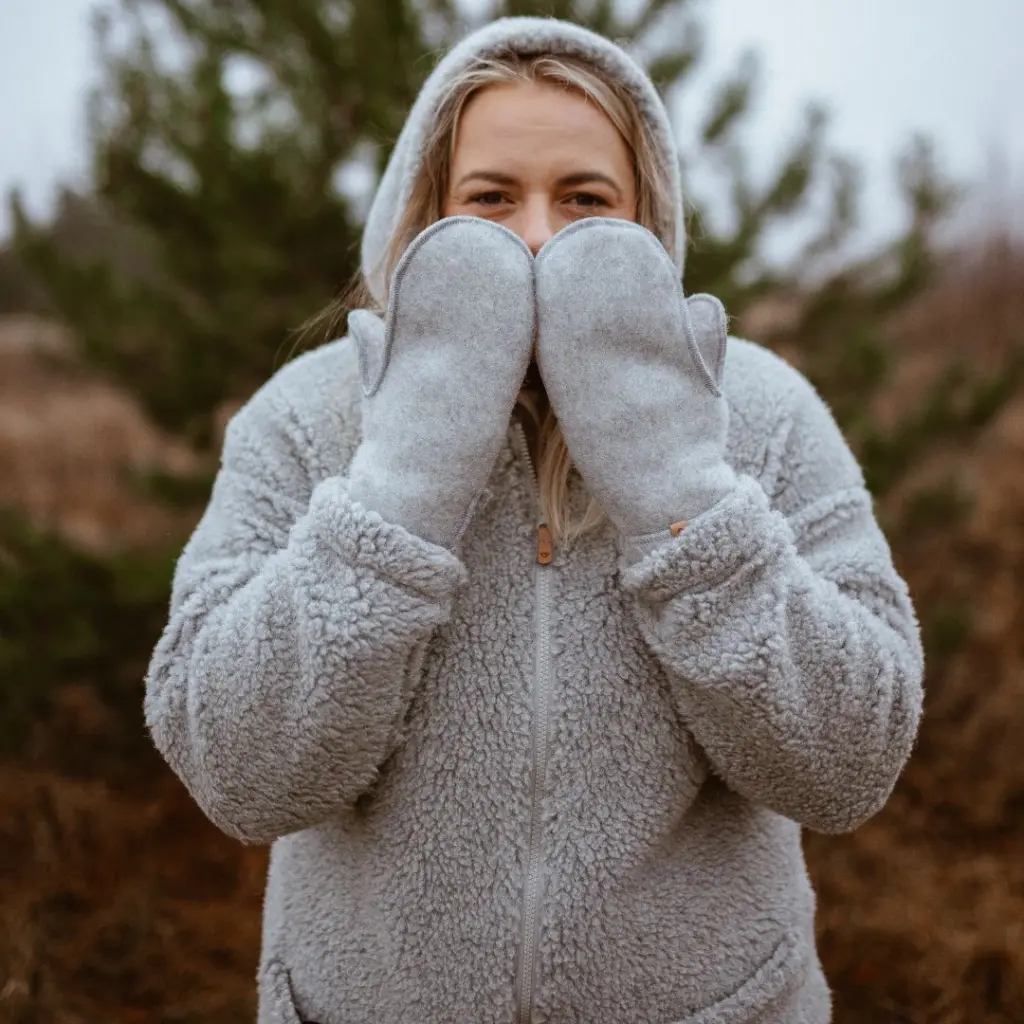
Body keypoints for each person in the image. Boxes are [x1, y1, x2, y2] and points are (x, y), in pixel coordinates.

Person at [144, 16, 924, 1024]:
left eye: (586, 200)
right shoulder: (307, 417)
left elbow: (850, 765)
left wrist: (678, 486)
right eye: (492, 199)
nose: (540, 236)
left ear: (647, 221)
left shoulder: (761, 414)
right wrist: (405, 478)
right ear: (427, 213)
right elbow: (237, 774)